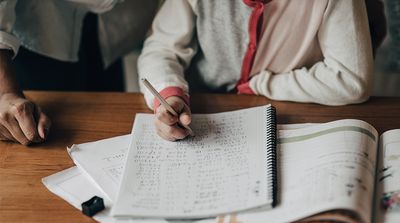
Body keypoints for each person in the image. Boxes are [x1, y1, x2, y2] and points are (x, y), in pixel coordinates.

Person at [138, 0, 386, 141]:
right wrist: (169, 94)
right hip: (202, 111)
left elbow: (351, 80)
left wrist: (262, 84)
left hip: (296, 113)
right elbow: (162, 48)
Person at [0, 0, 158, 145]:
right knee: (28, 125)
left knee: (110, 131)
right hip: (39, 22)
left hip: (113, 26)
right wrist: (6, 93)